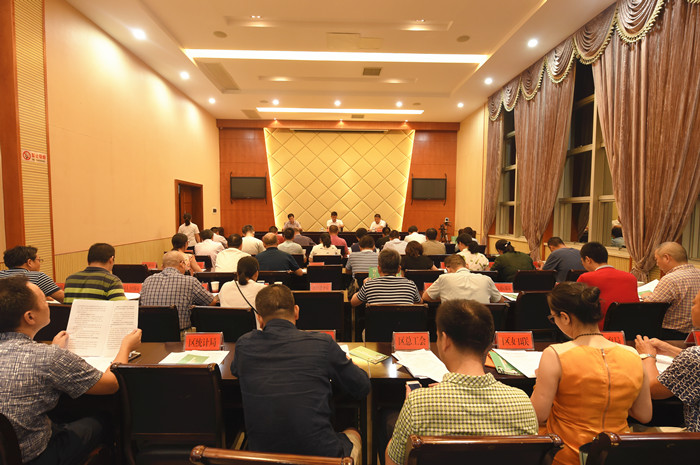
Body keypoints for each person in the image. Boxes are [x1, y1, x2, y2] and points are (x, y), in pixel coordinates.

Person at [0, 275, 142, 465]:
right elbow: (111, 383)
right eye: (44, 300)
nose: (49, 303)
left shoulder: (48, 355)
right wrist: (125, 346)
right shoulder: (48, 357)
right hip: (33, 457)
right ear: (30, 317)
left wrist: (55, 349)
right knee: (105, 419)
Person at [385, 299, 538, 465]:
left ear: (445, 340)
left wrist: (411, 406)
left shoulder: (418, 403)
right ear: (489, 344)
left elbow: (393, 461)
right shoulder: (522, 403)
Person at [231, 284, 370, 462]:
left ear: (259, 318)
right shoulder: (322, 343)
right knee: (353, 432)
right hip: (321, 459)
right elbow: (362, 386)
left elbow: (236, 370)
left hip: (264, 457)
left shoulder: (244, 345)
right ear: (296, 311)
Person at [530, 282, 652, 465]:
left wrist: (541, 379)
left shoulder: (555, 354)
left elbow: (538, 415)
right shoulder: (632, 354)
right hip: (616, 455)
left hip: (567, 455)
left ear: (565, 317)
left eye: (553, 317)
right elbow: (644, 414)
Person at [635, 290, 700, 432]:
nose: (691, 307)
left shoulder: (694, 357)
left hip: (694, 438)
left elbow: (654, 390)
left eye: (694, 303)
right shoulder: (694, 356)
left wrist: (647, 355)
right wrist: (668, 349)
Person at [140, 251, 216, 330]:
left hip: (149, 333)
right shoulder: (190, 281)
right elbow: (211, 302)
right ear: (182, 264)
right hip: (180, 334)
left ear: (162, 266)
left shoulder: (148, 280)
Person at [642, 242, 700, 339]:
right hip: (696, 335)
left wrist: (646, 296)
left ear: (666, 258)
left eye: (656, 259)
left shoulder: (670, 279)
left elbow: (650, 307)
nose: (657, 264)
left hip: (671, 334)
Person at [577, 242, 638, 329]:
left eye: (582, 261)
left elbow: (575, 305)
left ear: (587, 259)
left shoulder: (586, 278)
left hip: (599, 329)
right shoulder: (631, 277)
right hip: (630, 328)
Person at [351, 249, 421, 307]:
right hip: (404, 320)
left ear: (379, 269)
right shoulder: (411, 285)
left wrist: (364, 285)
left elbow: (353, 303)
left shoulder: (369, 285)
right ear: (399, 269)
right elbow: (419, 302)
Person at [423, 254, 503, 304]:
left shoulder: (444, 278)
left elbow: (426, 297)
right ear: (467, 266)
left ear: (448, 269)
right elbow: (500, 300)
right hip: (480, 323)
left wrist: (443, 295)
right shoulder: (486, 279)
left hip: (452, 322)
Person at [218, 256, 266, 329]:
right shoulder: (262, 290)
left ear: (237, 273)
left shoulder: (225, 286)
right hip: (254, 334)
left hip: (228, 333)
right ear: (256, 273)